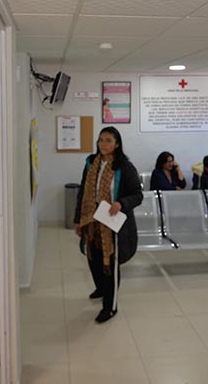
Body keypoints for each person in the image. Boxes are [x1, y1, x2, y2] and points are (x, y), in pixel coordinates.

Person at [73, 127, 142, 323]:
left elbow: (137, 195)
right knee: (93, 258)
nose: (103, 144)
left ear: (117, 144)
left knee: (109, 263)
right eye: (101, 140)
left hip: (113, 224)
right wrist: (78, 219)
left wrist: (121, 204)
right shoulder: (91, 163)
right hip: (92, 221)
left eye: (108, 140)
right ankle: (101, 288)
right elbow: (83, 191)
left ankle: (110, 307)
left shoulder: (125, 167)